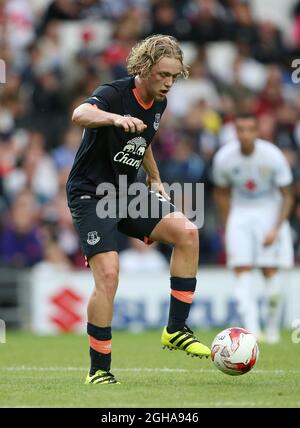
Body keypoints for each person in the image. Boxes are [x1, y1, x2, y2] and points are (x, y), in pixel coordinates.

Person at [67, 34, 210, 385]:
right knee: (109, 275)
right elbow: (80, 113)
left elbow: (142, 141)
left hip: (127, 191)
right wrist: (114, 119)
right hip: (91, 193)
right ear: (144, 68)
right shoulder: (114, 93)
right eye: (163, 75)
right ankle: (99, 370)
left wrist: (156, 178)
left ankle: (175, 330)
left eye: (174, 76)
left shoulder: (158, 104)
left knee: (187, 232)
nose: (169, 83)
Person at [213, 113, 294, 344]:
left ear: (257, 132)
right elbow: (221, 193)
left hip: (270, 211)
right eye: (241, 129)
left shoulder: (272, 156)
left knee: (270, 272)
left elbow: (288, 195)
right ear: (235, 132)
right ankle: (252, 330)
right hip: (240, 213)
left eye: (250, 129)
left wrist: (276, 229)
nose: (245, 134)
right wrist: (227, 225)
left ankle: (272, 329)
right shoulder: (224, 158)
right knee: (241, 269)